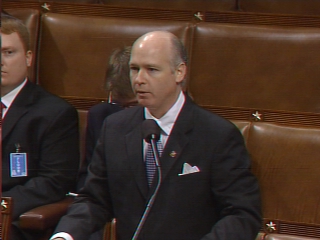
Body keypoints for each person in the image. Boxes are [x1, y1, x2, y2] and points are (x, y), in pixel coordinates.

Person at [51, 31, 261, 240]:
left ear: (179, 72)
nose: (139, 80)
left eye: (152, 70)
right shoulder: (115, 128)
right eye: (134, 69)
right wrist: (65, 235)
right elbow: (94, 199)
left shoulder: (217, 135)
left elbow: (241, 215)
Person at [1, 14, 80, 240]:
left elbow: (53, 182)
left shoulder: (54, 113)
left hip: (12, 218)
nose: (1, 61)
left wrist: (3, 206)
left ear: (28, 58)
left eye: (8, 52)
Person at [77, 46, 136, 190]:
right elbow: (88, 176)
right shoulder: (100, 115)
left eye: (132, 106)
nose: (123, 113)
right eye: (116, 104)